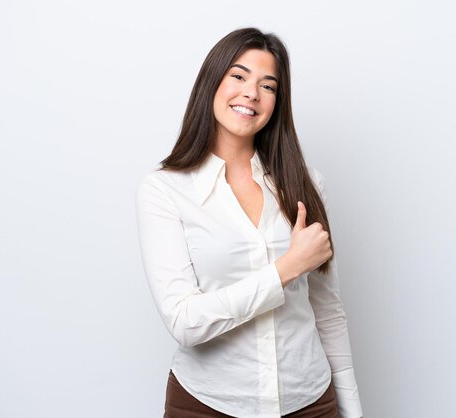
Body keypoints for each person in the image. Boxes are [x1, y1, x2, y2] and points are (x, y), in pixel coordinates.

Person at [135, 27, 363, 418]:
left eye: (268, 85)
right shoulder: (164, 190)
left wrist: (353, 409)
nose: (251, 94)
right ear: (212, 83)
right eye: (238, 76)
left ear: (278, 100)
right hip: (207, 404)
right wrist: (286, 270)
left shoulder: (305, 184)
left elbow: (328, 309)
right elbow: (185, 322)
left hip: (308, 400)